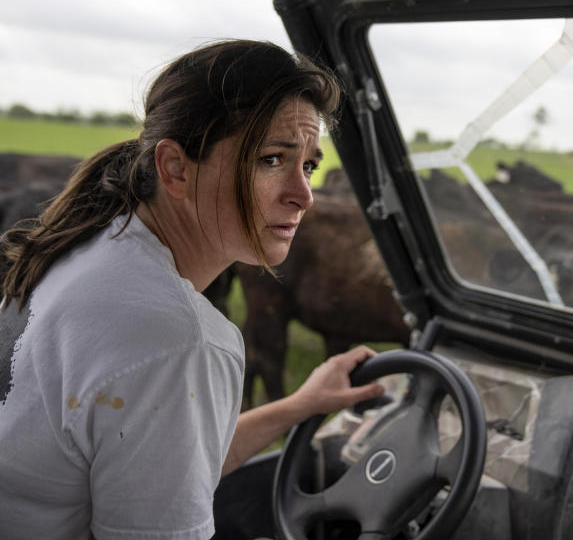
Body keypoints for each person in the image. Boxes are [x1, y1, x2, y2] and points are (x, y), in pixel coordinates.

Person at [0, 39, 385, 539]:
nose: (304, 196)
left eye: (308, 165)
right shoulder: (176, 339)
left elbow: (157, 456)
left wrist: (300, 405)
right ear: (176, 169)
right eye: (271, 159)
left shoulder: (83, 247)